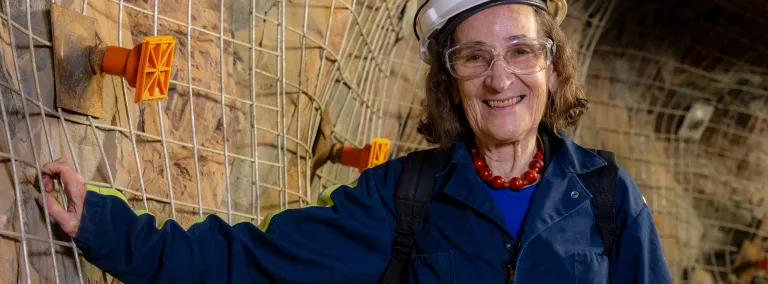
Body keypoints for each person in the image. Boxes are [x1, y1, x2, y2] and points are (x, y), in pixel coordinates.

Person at [39, 0, 673, 283]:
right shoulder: (406, 197)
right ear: (449, 84)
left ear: (553, 69)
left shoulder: (607, 199)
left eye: (521, 51)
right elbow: (254, 264)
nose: (499, 78)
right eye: (474, 57)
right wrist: (104, 226)